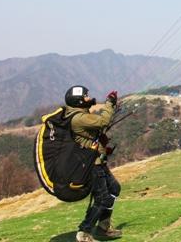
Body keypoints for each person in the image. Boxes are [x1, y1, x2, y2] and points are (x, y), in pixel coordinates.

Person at [65, 85, 123, 242]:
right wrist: (109, 103)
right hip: (92, 165)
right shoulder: (79, 117)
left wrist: (103, 147)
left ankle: (103, 227)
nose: (89, 97)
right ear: (78, 100)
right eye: (86, 96)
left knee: (114, 189)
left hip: (98, 161)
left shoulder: (82, 115)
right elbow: (103, 121)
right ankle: (84, 232)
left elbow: (90, 135)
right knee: (102, 198)